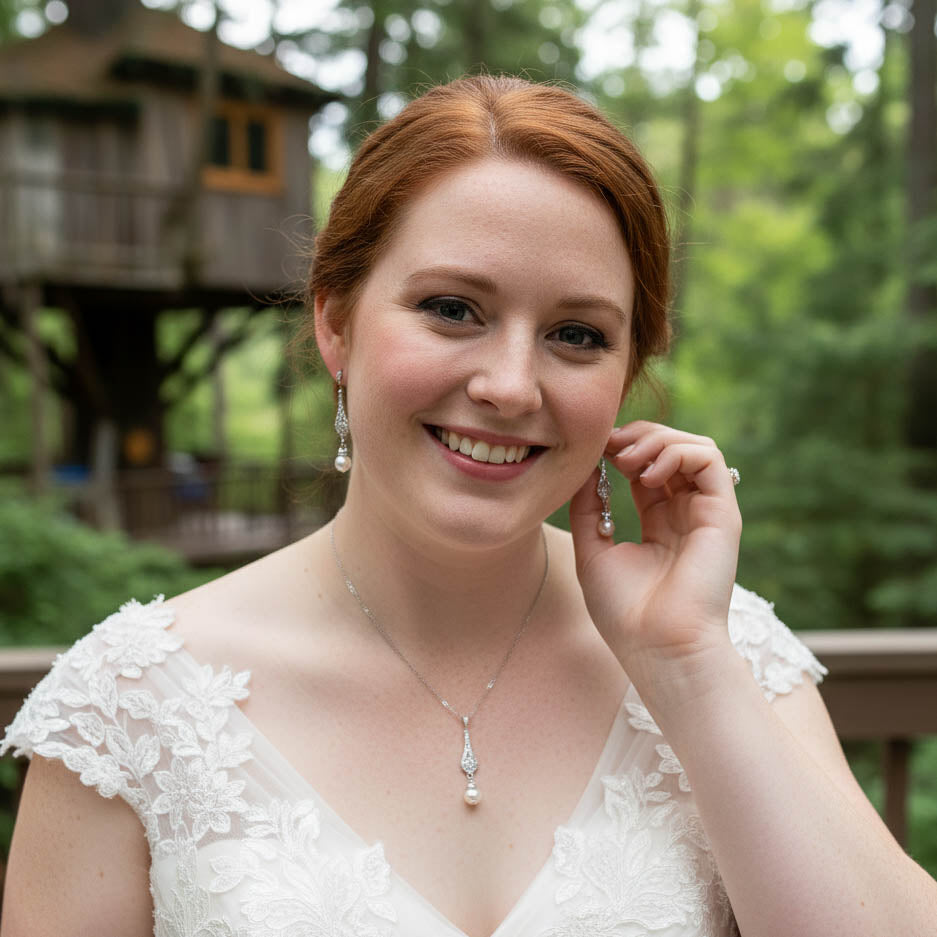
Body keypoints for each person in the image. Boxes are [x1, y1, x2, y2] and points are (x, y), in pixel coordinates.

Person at [1, 75, 934, 937]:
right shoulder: (127, 711)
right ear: (335, 320)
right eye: (452, 308)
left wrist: (686, 667)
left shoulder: (730, 654)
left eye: (577, 334)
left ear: (625, 375)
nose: (510, 385)